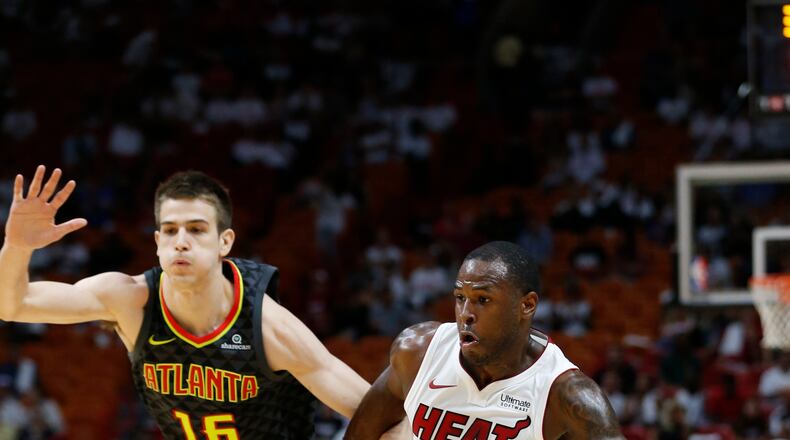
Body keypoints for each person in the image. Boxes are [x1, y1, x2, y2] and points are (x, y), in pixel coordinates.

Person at [0, 166, 370, 438]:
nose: (181, 241)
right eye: (171, 231)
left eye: (196, 229)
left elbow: (370, 411)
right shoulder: (128, 299)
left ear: (225, 242)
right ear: (157, 242)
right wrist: (16, 246)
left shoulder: (270, 328)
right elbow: (12, 305)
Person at [345, 241, 623, 439]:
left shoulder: (567, 395)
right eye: (460, 298)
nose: (465, 314)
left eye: (483, 300)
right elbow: (361, 434)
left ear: (526, 306)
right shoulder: (418, 352)